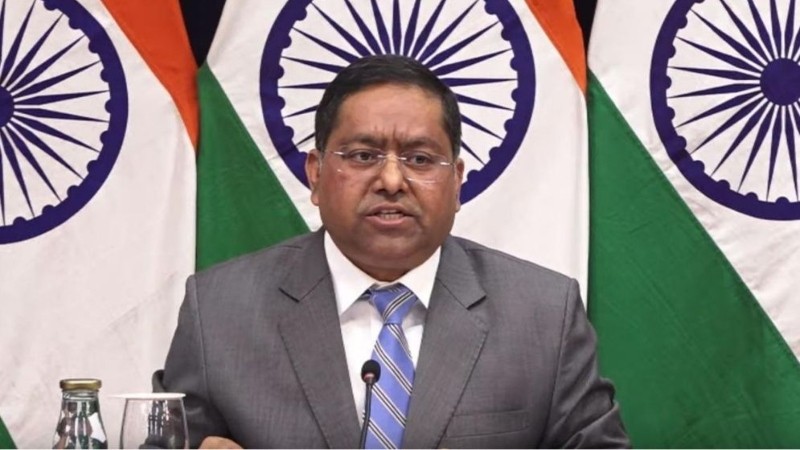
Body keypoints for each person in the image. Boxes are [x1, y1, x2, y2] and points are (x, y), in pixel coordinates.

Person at [154, 54, 629, 449]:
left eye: (419, 159)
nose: (391, 180)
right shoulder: (219, 312)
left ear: (457, 182)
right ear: (315, 174)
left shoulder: (543, 315)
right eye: (363, 156)